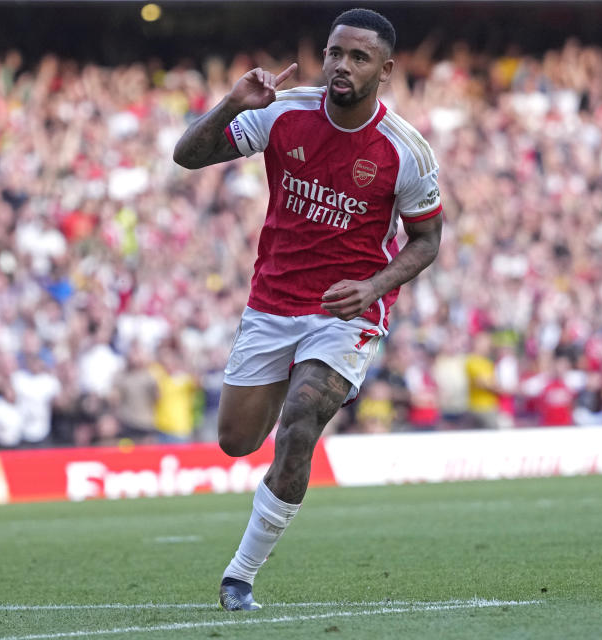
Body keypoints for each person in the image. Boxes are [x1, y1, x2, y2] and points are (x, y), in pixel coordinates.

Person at [173, 8, 442, 611]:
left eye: (358, 57)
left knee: (299, 424)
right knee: (237, 442)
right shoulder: (283, 109)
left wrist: (374, 287)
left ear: (386, 70)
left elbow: (427, 240)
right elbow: (188, 156)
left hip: (346, 312)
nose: (342, 66)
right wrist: (233, 103)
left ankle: (240, 576)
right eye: (335, 53)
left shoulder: (406, 151)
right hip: (272, 302)